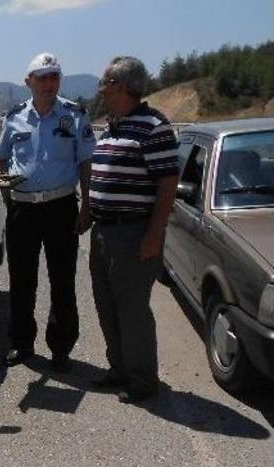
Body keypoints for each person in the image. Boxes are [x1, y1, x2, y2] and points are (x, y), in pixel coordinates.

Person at [0, 52, 96, 371]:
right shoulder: (14, 117)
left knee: (62, 281)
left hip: (62, 208)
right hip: (23, 210)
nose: (49, 83)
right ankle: (22, 344)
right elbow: (0, 158)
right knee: (22, 281)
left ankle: (61, 348)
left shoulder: (75, 115)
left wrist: (86, 206)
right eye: (42, 77)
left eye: (55, 77)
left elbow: (85, 163)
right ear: (28, 82)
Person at [87, 56, 180, 403]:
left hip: (133, 233)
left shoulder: (153, 126)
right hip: (104, 231)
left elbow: (167, 184)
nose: (100, 89)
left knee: (132, 310)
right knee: (106, 305)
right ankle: (119, 370)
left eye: (105, 82)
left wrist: (154, 236)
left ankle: (143, 382)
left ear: (121, 86)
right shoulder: (113, 124)